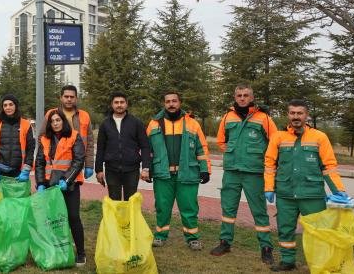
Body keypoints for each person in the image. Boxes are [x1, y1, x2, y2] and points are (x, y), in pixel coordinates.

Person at [264, 99, 349, 272]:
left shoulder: (319, 137)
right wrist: (269, 188)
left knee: (317, 231)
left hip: (312, 194)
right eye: (292, 113)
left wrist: (338, 190)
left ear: (306, 115)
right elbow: (270, 164)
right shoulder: (278, 137)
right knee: (285, 229)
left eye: (299, 113)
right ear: (288, 115)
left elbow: (329, 166)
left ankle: (319, 263)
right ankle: (287, 261)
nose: (296, 116)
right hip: (285, 194)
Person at [210, 85, 276, 263]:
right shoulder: (227, 117)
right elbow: (221, 141)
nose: (242, 98)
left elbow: (275, 142)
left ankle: (266, 247)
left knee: (259, 211)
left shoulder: (264, 118)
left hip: (254, 172)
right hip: (231, 171)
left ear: (252, 97)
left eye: (246, 95)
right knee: (228, 209)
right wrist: (233, 153)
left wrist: (259, 159)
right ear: (235, 96)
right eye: (239, 95)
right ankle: (225, 242)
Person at [146, 91, 211, 250]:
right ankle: (160, 236)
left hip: (187, 174)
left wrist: (205, 169)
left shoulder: (192, 124)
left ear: (180, 102)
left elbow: (201, 148)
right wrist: (147, 169)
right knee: (162, 207)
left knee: (189, 207)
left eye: (174, 101)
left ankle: (192, 238)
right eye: (168, 101)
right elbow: (147, 150)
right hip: (163, 175)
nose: (171, 104)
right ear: (164, 103)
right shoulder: (154, 124)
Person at [35, 110, 87, 267]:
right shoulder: (44, 139)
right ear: (49, 124)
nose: (56, 123)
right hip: (51, 187)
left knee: (73, 218)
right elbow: (40, 163)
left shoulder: (74, 136)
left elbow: (78, 160)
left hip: (69, 186)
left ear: (63, 121)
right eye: (52, 121)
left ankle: (81, 253)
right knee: (54, 220)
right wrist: (40, 183)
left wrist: (67, 180)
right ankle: (59, 249)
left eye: (58, 120)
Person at [95, 92, 151, 200]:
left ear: (127, 104)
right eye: (116, 102)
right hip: (111, 170)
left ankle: (129, 218)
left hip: (132, 170)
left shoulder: (136, 123)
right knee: (114, 203)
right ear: (112, 105)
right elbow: (101, 148)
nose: (119, 105)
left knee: (130, 202)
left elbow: (145, 146)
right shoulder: (105, 124)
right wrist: (98, 170)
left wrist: (145, 168)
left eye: (122, 102)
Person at [45, 85, 95, 180]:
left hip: (76, 164)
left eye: (72, 97)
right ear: (61, 98)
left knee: (73, 192)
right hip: (54, 164)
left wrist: (89, 164)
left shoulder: (84, 116)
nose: (69, 99)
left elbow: (90, 143)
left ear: (76, 98)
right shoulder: (51, 114)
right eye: (66, 96)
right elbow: (42, 138)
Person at [0, 93, 34, 185]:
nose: (8, 107)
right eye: (5, 105)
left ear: (16, 106)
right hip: (0, 171)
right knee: (3, 198)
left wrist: (27, 168)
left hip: (19, 171)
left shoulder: (26, 124)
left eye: (11, 104)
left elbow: (30, 148)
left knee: (19, 199)